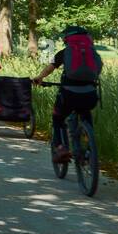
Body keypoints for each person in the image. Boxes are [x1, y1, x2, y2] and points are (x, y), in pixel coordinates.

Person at [33, 25, 102, 165]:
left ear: (67, 39)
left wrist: (39, 78)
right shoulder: (92, 53)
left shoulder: (65, 52)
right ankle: (89, 147)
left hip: (69, 95)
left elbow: (49, 68)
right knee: (86, 115)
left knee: (57, 116)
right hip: (90, 95)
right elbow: (98, 68)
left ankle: (61, 148)